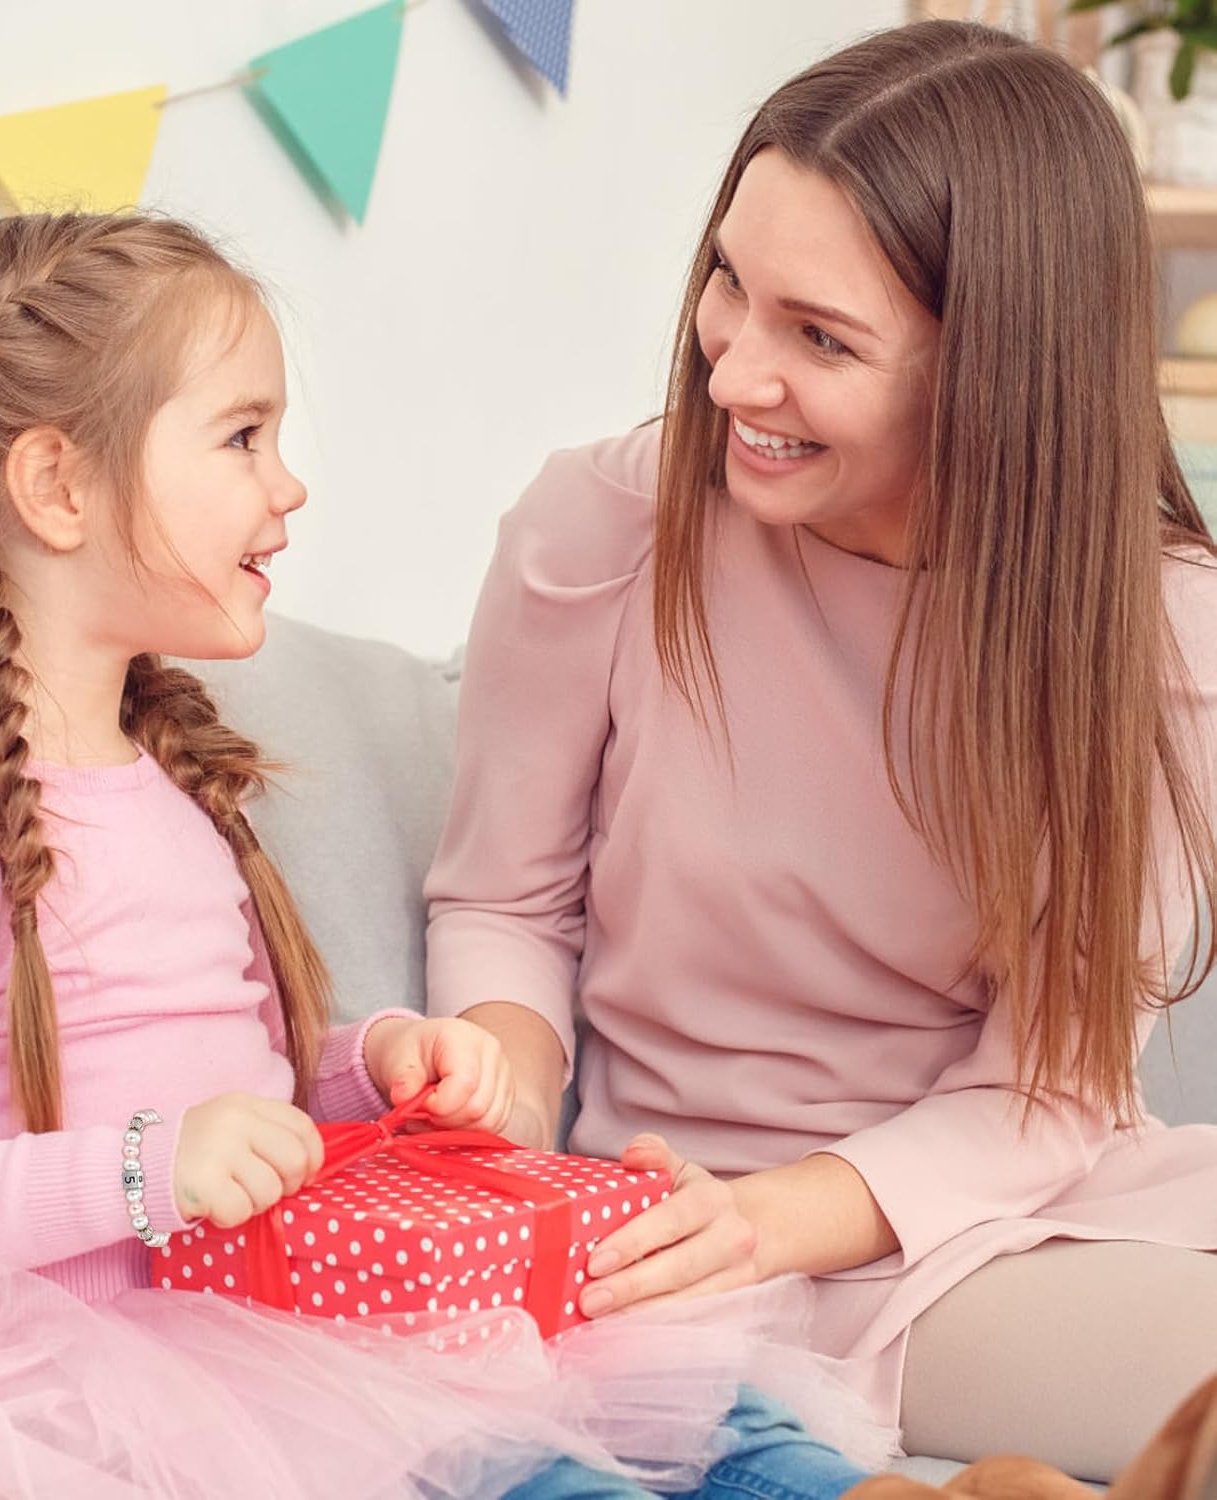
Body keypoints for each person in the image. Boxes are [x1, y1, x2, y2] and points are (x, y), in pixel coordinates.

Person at [0, 209, 908, 1500]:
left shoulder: (164, 774)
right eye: (241, 436)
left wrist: (371, 1066)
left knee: (727, 1421)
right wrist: (139, 1171)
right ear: (58, 486)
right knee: (552, 1479)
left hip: (290, 1325)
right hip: (121, 1390)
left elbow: (239, 1097)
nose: (287, 485)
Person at [424, 17, 1217, 1493]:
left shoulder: (1163, 629)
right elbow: (503, 905)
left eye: (822, 337)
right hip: (667, 1232)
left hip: (970, 1217)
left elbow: (1047, 1087)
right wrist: (505, 1100)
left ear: (996, 372)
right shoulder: (604, 526)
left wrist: (783, 1212)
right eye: (732, 281)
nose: (730, 372)